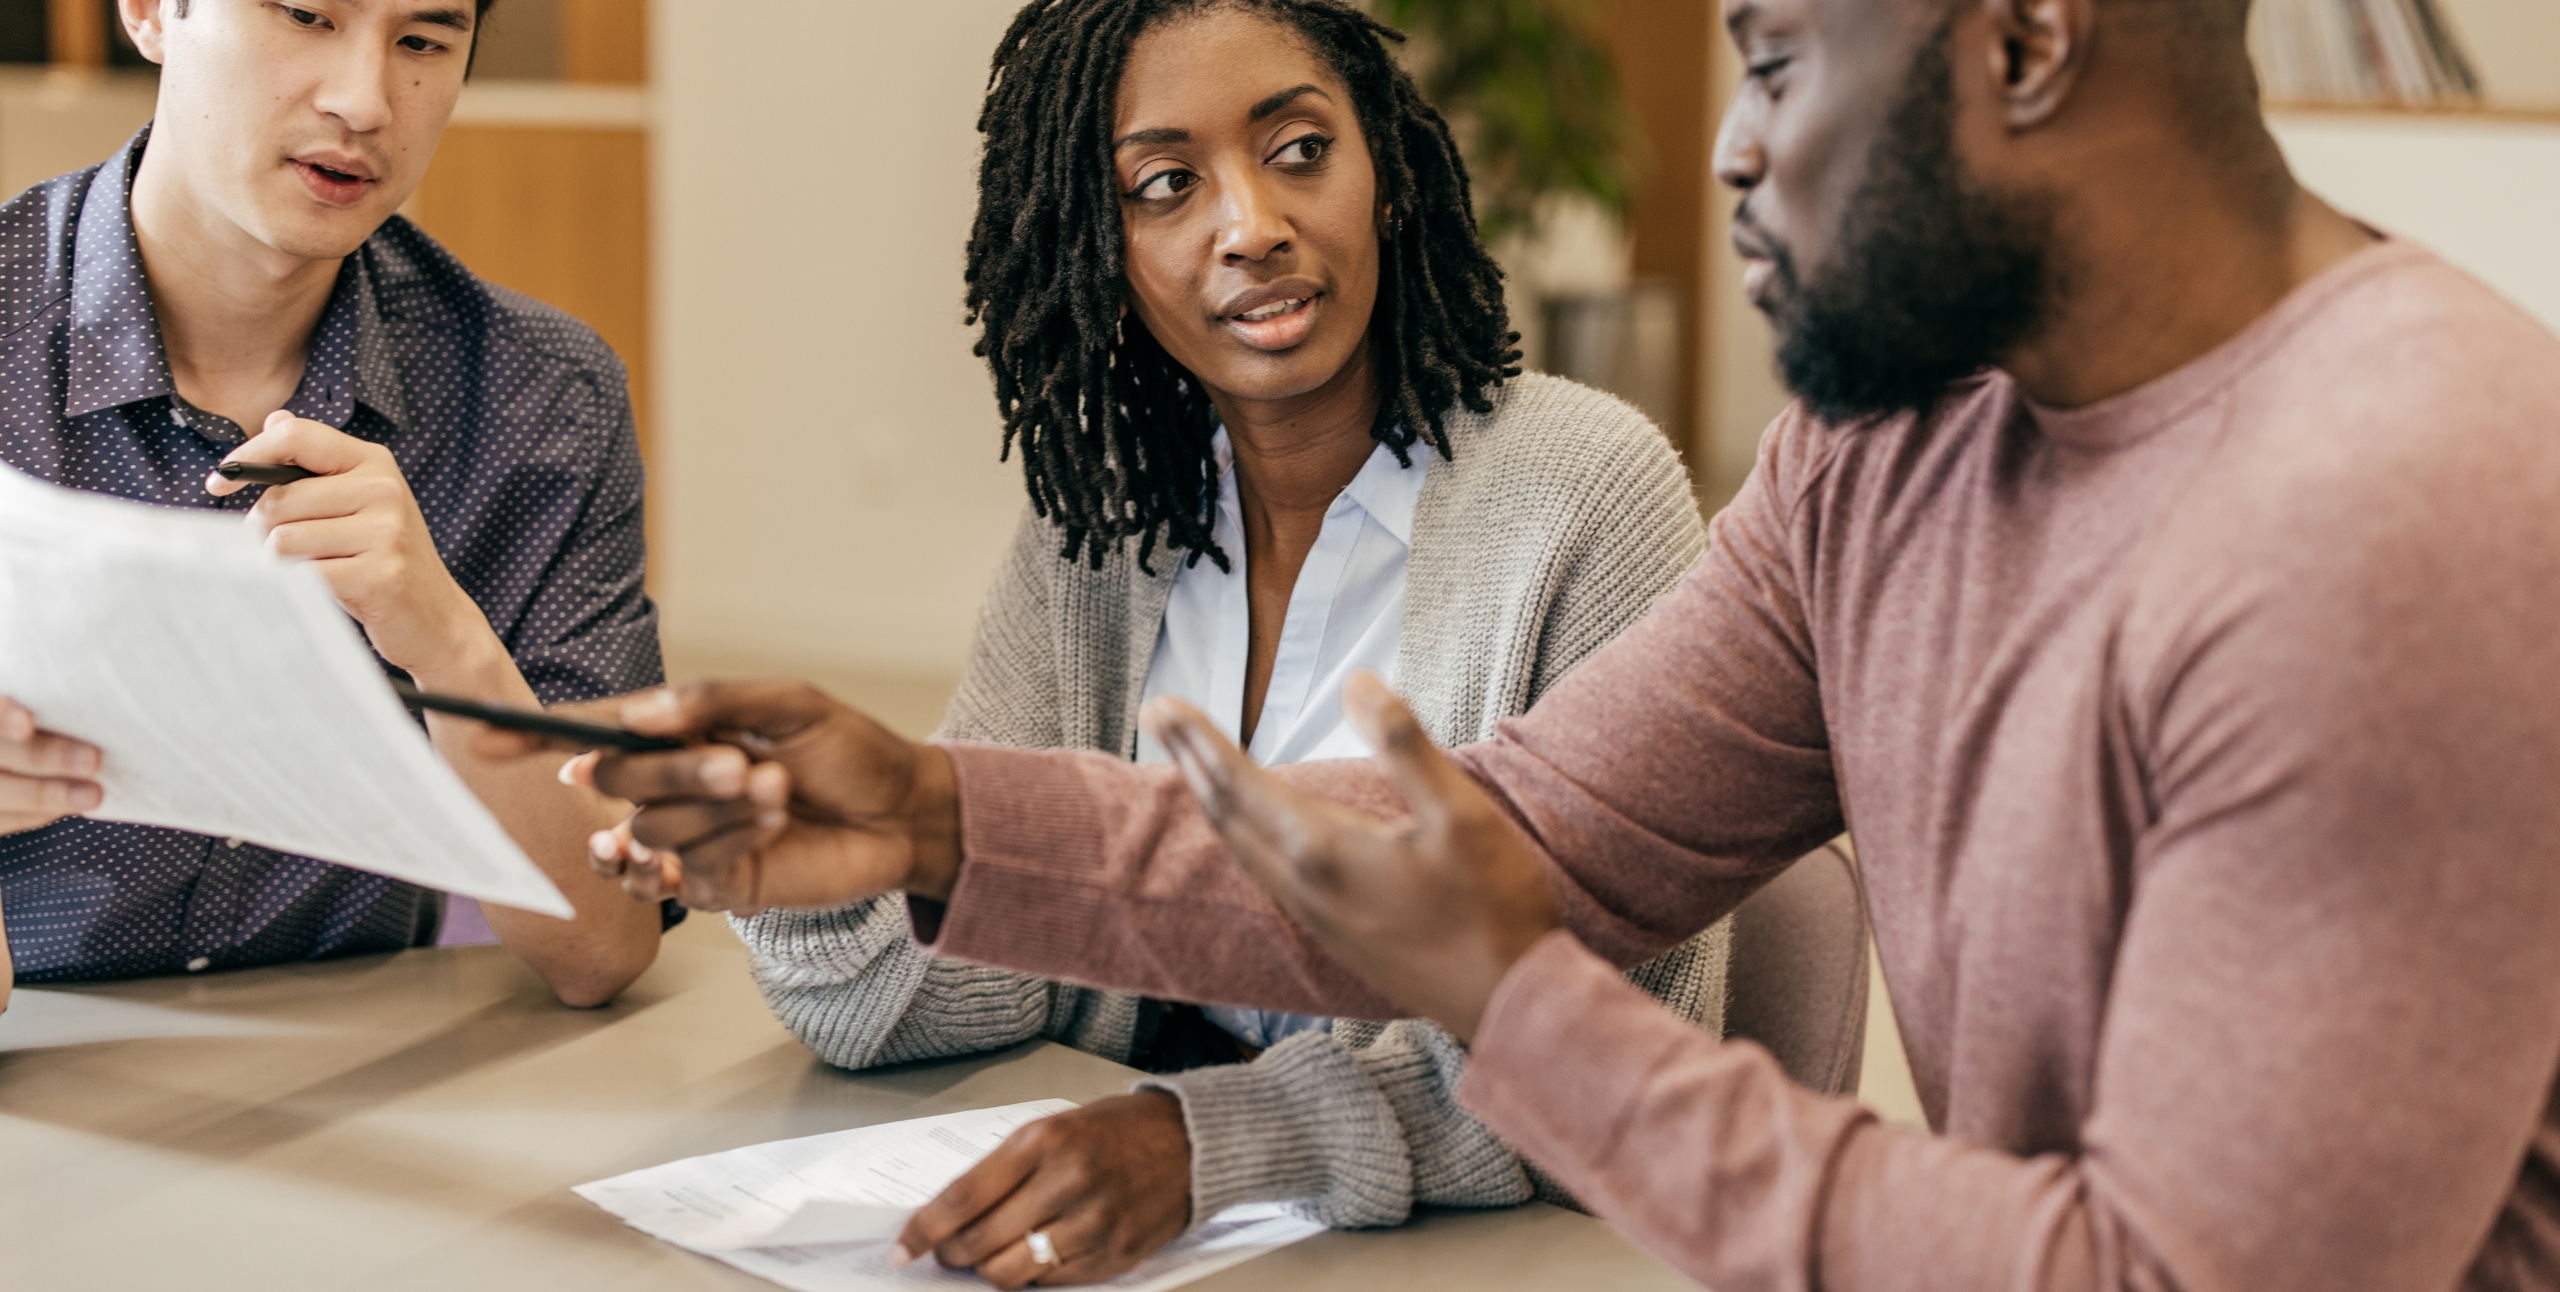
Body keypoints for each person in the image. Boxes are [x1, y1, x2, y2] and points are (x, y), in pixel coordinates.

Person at [511, 0, 2560, 1285]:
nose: (1730, 147)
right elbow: (1496, 846)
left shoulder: (2403, 500)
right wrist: (932, 814)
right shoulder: (1889, 454)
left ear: (2022, 44)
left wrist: (1515, 1006)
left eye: (1769, 59)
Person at [723, 2, 1730, 1282]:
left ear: (1387, 171)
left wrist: (1211, 1137)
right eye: (1165, 185)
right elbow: (933, 993)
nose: (1250, 226)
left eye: (1300, 150)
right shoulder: (1100, 530)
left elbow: (1609, 1048)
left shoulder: (1585, 495)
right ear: (1104, 248)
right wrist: (797, 884)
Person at [0, 0, 670, 1014]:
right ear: (148, 12)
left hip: (363, 1072)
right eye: (307, 14)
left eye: (423, 42)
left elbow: (602, 947)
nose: (364, 100)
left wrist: (451, 646)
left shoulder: (544, 398)